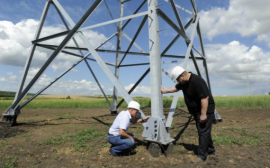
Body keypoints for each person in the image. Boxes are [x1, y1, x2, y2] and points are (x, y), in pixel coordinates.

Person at [161, 66, 215, 162]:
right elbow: (175, 88)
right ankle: (210, 148)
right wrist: (164, 91)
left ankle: (202, 155)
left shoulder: (197, 81)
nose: (178, 82)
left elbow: (204, 98)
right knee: (204, 130)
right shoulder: (184, 82)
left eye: (178, 79)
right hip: (196, 110)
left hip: (204, 109)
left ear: (182, 75)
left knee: (202, 131)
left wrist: (203, 114)